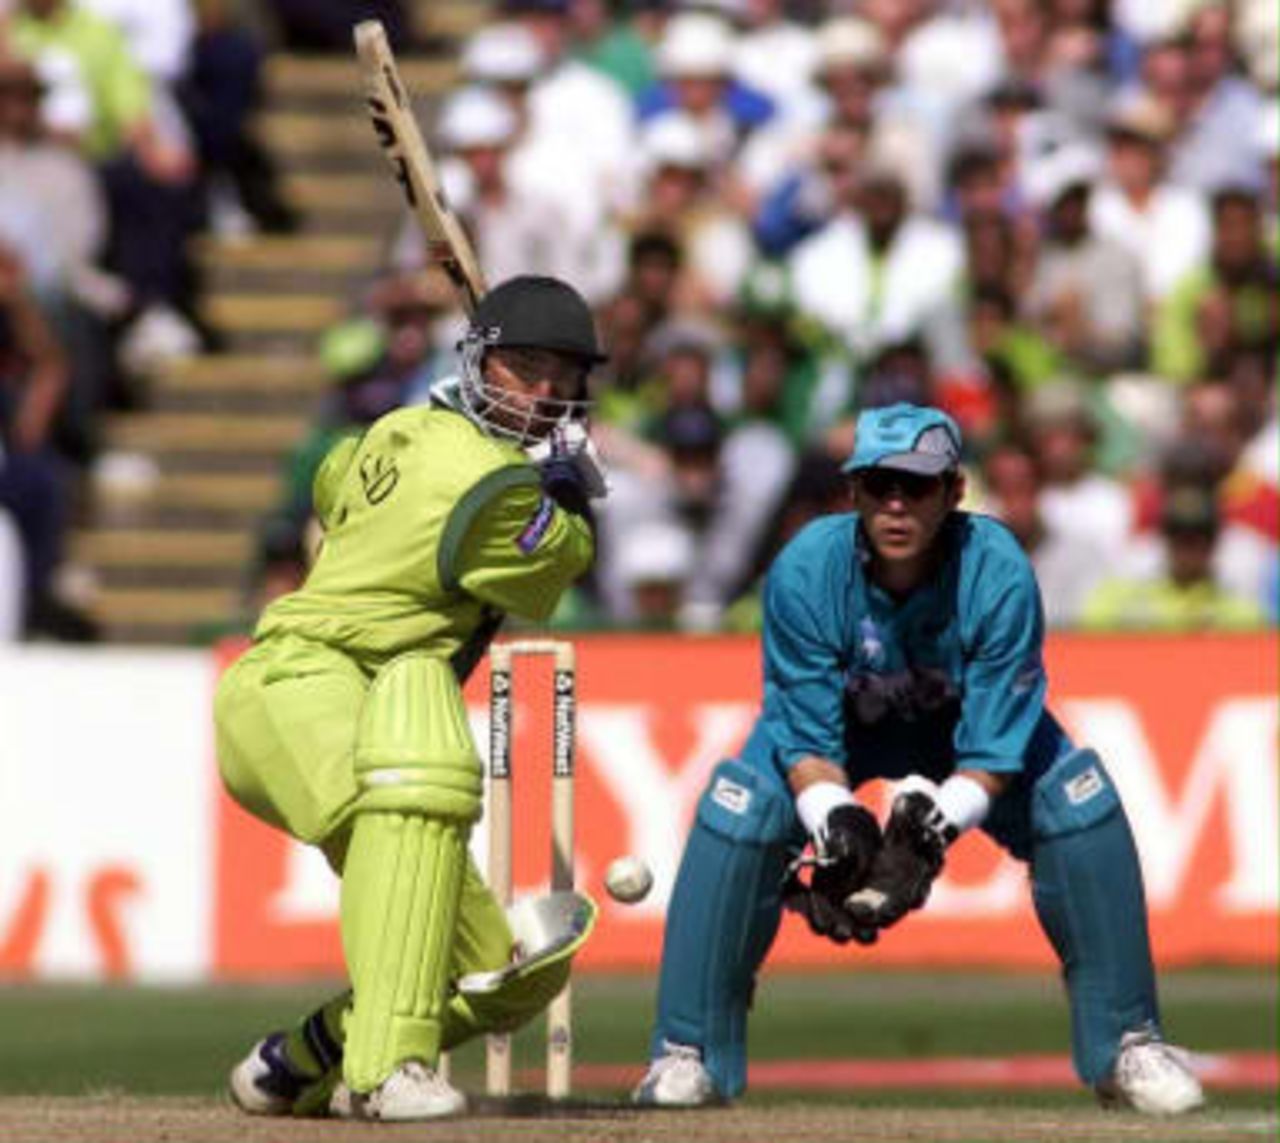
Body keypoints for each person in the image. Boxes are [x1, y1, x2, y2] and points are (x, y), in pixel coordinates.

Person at [633, 403, 1205, 1116]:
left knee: (1078, 800)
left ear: (954, 492)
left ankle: (1129, 1042)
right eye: (879, 485)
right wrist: (837, 820)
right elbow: (804, 734)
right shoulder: (808, 568)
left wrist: (928, 833)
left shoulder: (996, 571)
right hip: (845, 734)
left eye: (918, 485)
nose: (896, 504)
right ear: (853, 493)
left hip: (962, 733)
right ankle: (687, 1052)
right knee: (739, 805)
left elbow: (996, 747)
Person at [214, 276, 608, 1121]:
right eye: (523, 368)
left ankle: (305, 1055)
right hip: (307, 687)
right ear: (479, 365)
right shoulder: (494, 492)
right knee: (417, 773)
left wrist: (532, 475)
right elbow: (549, 566)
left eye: (560, 375)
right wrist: (568, 504)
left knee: (507, 969)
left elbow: (332, 478)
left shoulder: (396, 426)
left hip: (322, 696)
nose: (542, 392)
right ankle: (384, 1068)